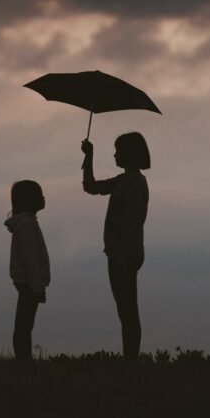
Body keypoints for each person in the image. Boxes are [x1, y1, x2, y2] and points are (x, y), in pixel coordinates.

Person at [81, 132, 150, 360]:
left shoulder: (135, 182)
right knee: (125, 309)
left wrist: (126, 254)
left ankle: (131, 358)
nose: (114, 155)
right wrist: (88, 157)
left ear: (130, 154)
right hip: (118, 253)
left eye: (118, 151)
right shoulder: (124, 180)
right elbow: (91, 187)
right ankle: (130, 356)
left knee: (128, 309)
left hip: (125, 254)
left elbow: (132, 223)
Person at [4, 180, 50, 362]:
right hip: (29, 283)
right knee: (24, 325)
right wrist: (37, 287)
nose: (43, 198)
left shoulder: (26, 223)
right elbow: (30, 259)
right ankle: (24, 360)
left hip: (27, 282)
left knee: (24, 324)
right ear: (29, 200)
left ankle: (24, 359)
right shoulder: (27, 225)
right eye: (39, 195)